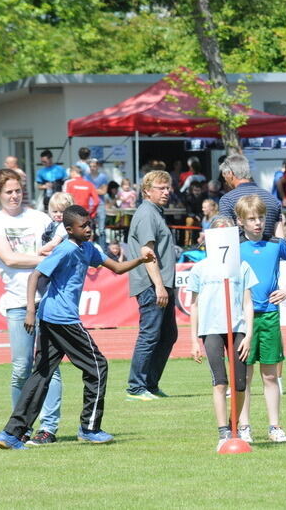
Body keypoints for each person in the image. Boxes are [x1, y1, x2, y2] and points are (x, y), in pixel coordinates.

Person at [0, 205, 155, 450]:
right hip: (61, 319)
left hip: (52, 319)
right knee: (98, 366)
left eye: (90, 224)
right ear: (69, 229)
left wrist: (141, 260)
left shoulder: (88, 249)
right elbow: (35, 276)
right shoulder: (66, 249)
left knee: (41, 375)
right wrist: (29, 310)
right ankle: (90, 428)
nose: (89, 229)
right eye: (83, 226)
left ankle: (11, 434)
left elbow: (118, 268)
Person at [0, 169, 62, 445]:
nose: (14, 196)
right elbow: (9, 259)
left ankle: (48, 428)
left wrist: (48, 254)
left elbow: (59, 248)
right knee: (21, 368)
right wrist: (42, 256)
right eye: (8, 191)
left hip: (49, 302)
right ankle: (21, 425)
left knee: (50, 367)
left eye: (17, 190)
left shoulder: (40, 218)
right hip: (17, 303)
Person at [237, 195, 286, 443]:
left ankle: (274, 426)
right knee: (244, 376)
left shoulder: (277, 244)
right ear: (241, 221)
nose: (257, 223)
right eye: (252, 219)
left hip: (270, 316)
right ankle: (244, 427)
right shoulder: (235, 247)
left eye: (261, 218)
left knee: (270, 375)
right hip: (243, 320)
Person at [188, 216, 256, 451]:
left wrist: (248, 334)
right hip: (211, 329)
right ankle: (223, 432)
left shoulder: (242, 267)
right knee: (220, 381)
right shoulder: (200, 268)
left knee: (239, 383)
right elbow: (194, 306)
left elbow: (248, 303)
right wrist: (194, 340)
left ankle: (234, 423)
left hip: (236, 328)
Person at [126, 171, 179, 401]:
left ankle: (150, 383)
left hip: (162, 283)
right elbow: (147, 253)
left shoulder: (155, 213)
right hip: (152, 284)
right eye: (161, 187)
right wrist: (158, 285)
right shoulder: (147, 213)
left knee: (168, 334)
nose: (166, 191)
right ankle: (136, 387)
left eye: (168, 187)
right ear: (147, 190)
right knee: (150, 334)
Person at [219, 155, 283, 240]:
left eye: (224, 176)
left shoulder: (227, 200)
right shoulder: (272, 199)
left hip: (241, 252)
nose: (225, 180)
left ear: (230, 173)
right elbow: (280, 238)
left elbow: (225, 235)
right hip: (269, 251)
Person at [84, 159, 110, 248]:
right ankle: (89, 248)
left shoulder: (103, 177)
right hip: (88, 204)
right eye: (90, 166)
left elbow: (104, 191)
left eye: (94, 166)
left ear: (97, 167)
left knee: (101, 229)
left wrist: (91, 190)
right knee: (89, 228)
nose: (92, 168)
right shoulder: (85, 177)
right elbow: (85, 191)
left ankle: (103, 249)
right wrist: (97, 190)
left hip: (100, 204)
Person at [39, 192, 74, 257]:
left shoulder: (64, 225)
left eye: (62, 211)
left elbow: (54, 243)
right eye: (55, 211)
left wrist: (39, 251)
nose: (58, 214)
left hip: (63, 256)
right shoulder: (54, 224)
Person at [183, 181, 206, 247]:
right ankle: (187, 243)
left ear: (201, 190)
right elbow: (188, 212)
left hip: (201, 217)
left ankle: (201, 243)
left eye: (198, 190)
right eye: (195, 190)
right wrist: (196, 216)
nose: (197, 192)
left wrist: (200, 216)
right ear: (192, 191)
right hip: (192, 217)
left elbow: (204, 210)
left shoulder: (203, 197)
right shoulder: (189, 198)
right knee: (189, 220)